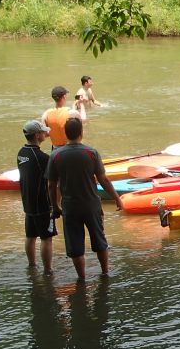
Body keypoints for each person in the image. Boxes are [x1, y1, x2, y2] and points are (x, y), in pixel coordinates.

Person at [47, 117, 123, 281]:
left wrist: (55, 206)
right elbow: (103, 180)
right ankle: (105, 273)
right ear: (81, 132)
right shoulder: (91, 152)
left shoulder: (56, 156)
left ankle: (81, 278)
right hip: (91, 205)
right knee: (99, 239)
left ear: (66, 133)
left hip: (70, 207)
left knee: (75, 245)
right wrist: (117, 198)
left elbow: (51, 185)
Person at [18, 120, 57, 274]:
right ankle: (48, 270)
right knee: (46, 238)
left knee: (30, 235)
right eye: (43, 131)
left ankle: (32, 266)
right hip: (42, 204)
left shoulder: (21, 153)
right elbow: (51, 183)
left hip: (27, 202)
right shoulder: (42, 157)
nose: (45, 133)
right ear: (36, 135)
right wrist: (55, 204)